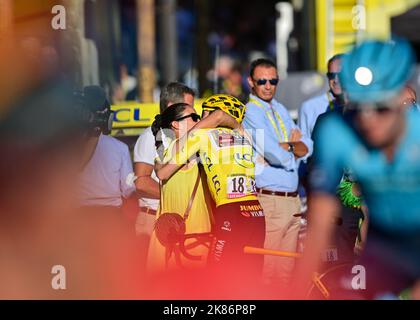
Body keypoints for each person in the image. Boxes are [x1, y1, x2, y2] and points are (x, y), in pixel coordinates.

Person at [295, 38, 420, 299]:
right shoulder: (336, 131)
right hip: (382, 245)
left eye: (380, 107)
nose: (368, 119)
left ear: (402, 98)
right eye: (359, 108)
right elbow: (320, 218)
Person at [156, 94, 266, 281]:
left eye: (203, 113)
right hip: (256, 213)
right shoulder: (244, 136)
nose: (201, 118)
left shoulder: (201, 135)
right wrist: (236, 124)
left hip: (230, 213)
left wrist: (159, 156)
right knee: (250, 280)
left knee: (217, 279)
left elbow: (163, 174)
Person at [243, 58, 312, 287]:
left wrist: (287, 147)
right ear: (250, 82)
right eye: (262, 81)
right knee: (268, 273)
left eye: (273, 80)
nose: (268, 85)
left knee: (285, 274)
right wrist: (292, 148)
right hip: (270, 199)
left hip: (292, 199)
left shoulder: (280, 108)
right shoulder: (252, 111)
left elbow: (308, 146)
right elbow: (274, 153)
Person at [133, 82, 195, 254]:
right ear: (171, 107)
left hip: (175, 220)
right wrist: (176, 196)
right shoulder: (149, 136)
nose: (194, 115)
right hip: (152, 218)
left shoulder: (186, 140)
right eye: (189, 107)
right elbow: (141, 182)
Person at [78, 86, 135, 217]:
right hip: (112, 217)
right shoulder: (120, 148)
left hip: (79, 218)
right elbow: (128, 189)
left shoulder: (69, 147)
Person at [298, 54, 345, 140]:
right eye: (332, 75)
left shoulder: (361, 105)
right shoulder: (309, 107)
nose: (336, 80)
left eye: (340, 74)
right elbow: (303, 148)